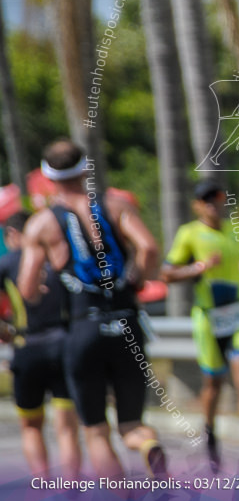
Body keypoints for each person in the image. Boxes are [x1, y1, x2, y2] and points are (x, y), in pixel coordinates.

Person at [18, 139, 168, 479]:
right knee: (131, 424)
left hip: (83, 330)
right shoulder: (115, 206)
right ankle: (146, 445)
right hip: (127, 324)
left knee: (96, 431)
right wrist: (136, 282)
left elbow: (28, 289)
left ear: (47, 176)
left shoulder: (42, 223)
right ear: (85, 169)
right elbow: (148, 247)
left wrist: (41, 290)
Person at [161, 179, 239, 473]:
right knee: (214, 384)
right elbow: (166, 273)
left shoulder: (236, 230)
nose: (212, 204)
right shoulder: (189, 234)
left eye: (217, 198)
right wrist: (198, 268)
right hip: (208, 316)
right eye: (206, 200)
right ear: (197, 205)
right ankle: (211, 441)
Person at [0, 210, 81, 478]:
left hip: (28, 346)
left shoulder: (8, 262)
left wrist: (6, 333)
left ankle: (43, 485)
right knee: (68, 428)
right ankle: (72, 491)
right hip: (64, 344)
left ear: (13, 234)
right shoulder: (58, 259)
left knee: (32, 426)